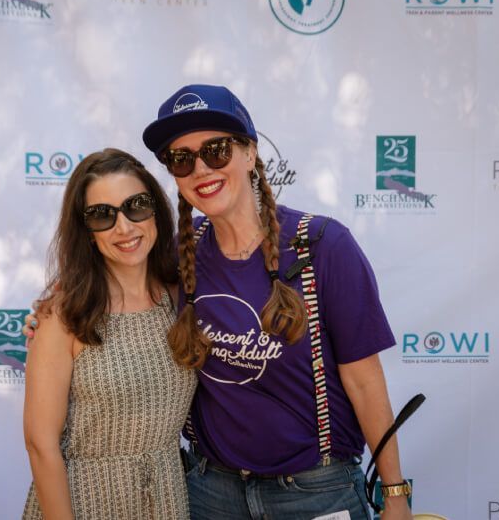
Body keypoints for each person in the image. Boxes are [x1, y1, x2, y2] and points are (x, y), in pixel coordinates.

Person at [140, 84, 413, 520]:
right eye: (181, 158)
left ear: (250, 153)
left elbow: (365, 382)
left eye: (216, 150)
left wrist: (395, 493)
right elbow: (109, 297)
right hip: (211, 493)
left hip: (315, 493)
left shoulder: (322, 246)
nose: (200, 169)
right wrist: (51, 316)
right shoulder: (174, 257)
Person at [21, 148, 197, 520]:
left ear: (156, 212)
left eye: (136, 206)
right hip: (84, 502)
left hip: (167, 498)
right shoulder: (64, 314)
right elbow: (41, 444)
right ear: (86, 231)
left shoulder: (181, 296)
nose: (124, 227)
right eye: (102, 215)